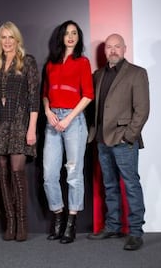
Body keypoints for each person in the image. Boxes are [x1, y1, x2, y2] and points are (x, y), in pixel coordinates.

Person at [87, 34, 149, 251]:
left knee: (131, 184)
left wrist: (128, 136)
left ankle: (135, 232)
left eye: (117, 46)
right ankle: (113, 225)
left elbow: (142, 110)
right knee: (110, 185)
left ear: (125, 48)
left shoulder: (137, 73)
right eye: (109, 47)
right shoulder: (98, 75)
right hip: (102, 139)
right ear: (105, 51)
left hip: (124, 141)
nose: (113, 50)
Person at [42, 20, 94, 244]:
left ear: (78, 37)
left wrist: (69, 117)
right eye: (67, 33)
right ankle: (58, 217)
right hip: (52, 119)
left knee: (73, 173)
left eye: (75, 33)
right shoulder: (51, 64)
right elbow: (45, 93)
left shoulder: (82, 62)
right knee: (49, 175)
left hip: (74, 121)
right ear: (61, 37)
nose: (71, 37)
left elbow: (88, 94)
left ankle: (71, 223)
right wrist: (47, 111)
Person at [0, 21, 40, 242]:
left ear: (17, 40)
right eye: (3, 37)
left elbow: (34, 98)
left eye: (11, 37)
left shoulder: (27, 62)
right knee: (2, 173)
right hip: (0, 125)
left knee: (17, 172)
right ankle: (9, 222)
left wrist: (32, 128)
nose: (7, 41)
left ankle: (22, 223)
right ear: (0, 41)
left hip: (20, 123)